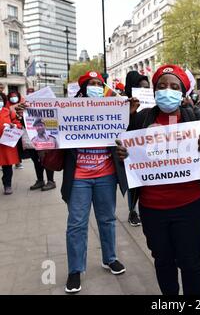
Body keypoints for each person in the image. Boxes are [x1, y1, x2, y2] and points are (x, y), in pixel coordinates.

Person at [116, 64, 200, 295]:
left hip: (190, 206)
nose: (167, 90)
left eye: (174, 86)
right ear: (154, 91)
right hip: (152, 208)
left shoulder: (198, 118)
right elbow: (124, 153)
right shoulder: (141, 119)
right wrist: (123, 154)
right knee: (163, 261)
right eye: (161, 86)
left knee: (191, 262)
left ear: (182, 91)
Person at [41, 71, 128, 293]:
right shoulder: (69, 109)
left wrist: (130, 110)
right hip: (79, 176)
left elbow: (126, 132)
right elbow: (47, 128)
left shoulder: (112, 106)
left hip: (106, 175)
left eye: (99, 83)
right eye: (91, 83)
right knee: (76, 224)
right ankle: (75, 270)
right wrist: (30, 116)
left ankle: (110, 258)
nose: (96, 86)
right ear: (83, 88)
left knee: (107, 219)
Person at [124, 70, 151, 227]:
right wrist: (130, 112)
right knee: (133, 182)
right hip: (133, 149)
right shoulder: (124, 104)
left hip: (149, 147)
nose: (145, 91)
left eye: (147, 88)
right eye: (141, 87)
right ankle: (132, 210)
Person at [0, 97, 23, 194]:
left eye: (0, 100)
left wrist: (14, 126)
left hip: (5, 144)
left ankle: (7, 185)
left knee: (7, 167)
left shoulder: (8, 111)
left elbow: (17, 123)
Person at [6, 91, 25, 169]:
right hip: (11, 129)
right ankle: (7, 163)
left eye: (15, 96)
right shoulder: (6, 106)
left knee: (19, 147)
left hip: (20, 128)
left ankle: (18, 162)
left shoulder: (22, 104)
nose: (13, 98)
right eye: (11, 97)